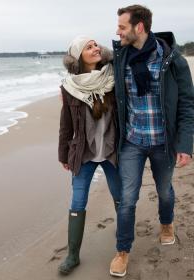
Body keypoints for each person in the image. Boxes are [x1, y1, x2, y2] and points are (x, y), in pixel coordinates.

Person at [109, 4, 194, 277]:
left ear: (139, 27)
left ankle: (166, 223)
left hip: (163, 142)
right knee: (127, 198)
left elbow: (187, 105)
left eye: (122, 27)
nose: (118, 32)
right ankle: (123, 250)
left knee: (165, 191)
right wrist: (69, 88)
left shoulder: (172, 59)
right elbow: (90, 70)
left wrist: (185, 144)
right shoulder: (119, 58)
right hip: (132, 141)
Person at [58, 35, 122, 275]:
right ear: (78, 56)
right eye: (89, 46)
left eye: (96, 44)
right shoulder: (69, 87)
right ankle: (73, 255)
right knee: (77, 201)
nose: (96, 48)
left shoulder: (113, 78)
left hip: (111, 150)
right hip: (83, 153)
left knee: (120, 196)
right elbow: (66, 124)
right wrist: (63, 154)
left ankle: (123, 232)